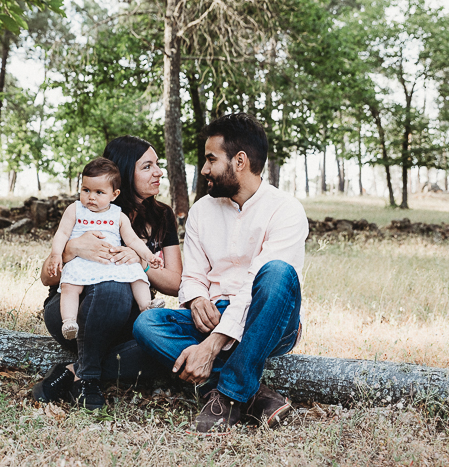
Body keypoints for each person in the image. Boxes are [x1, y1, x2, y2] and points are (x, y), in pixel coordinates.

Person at [133, 113, 308, 433]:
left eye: (211, 159)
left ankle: (227, 396)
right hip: (213, 314)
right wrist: (197, 298)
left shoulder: (286, 210)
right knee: (147, 324)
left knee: (277, 273)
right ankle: (254, 395)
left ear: (239, 161)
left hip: (269, 319)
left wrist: (213, 344)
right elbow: (193, 275)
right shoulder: (202, 210)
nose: (204, 169)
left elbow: (257, 285)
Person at [34, 135, 183, 410]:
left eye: (157, 164)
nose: (159, 172)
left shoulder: (162, 215)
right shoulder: (91, 206)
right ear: (125, 172)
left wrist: (140, 261)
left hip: (130, 319)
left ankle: (75, 371)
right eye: (147, 166)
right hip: (73, 310)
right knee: (113, 288)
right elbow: (46, 277)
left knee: (170, 351)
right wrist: (72, 249)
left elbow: (175, 283)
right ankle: (89, 378)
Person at [46, 157, 165, 341]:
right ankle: (69, 321)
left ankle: (146, 306)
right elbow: (62, 233)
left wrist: (148, 257)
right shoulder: (75, 209)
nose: (91, 197)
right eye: (86, 190)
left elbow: (133, 240)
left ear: (114, 195)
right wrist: (56, 254)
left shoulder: (118, 215)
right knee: (69, 286)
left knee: (136, 274)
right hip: (82, 261)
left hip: (111, 261)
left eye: (99, 192)